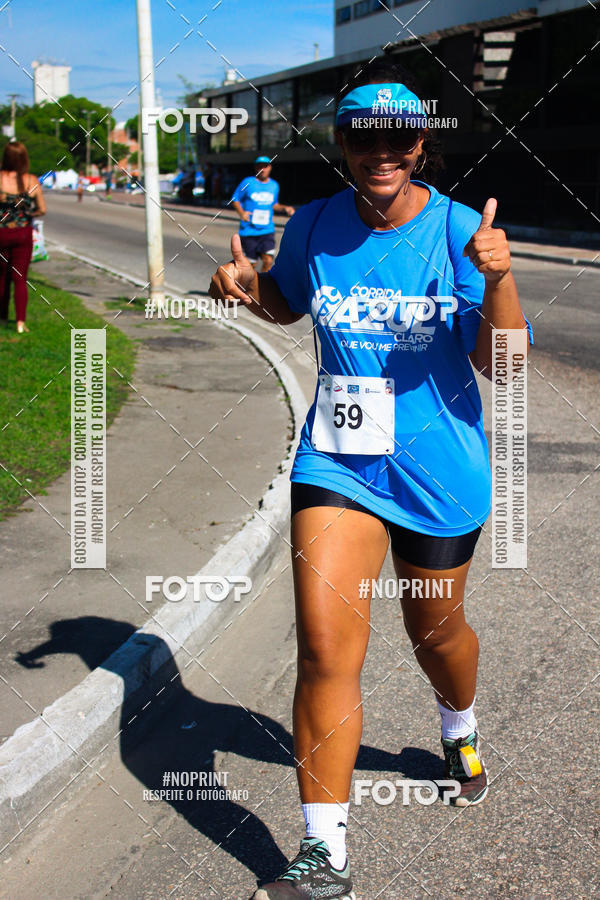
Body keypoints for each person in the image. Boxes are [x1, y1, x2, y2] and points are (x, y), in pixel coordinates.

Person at [210, 61, 533, 900]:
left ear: (420, 146)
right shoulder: (314, 223)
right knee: (323, 646)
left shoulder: (462, 231)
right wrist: (248, 290)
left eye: (397, 138)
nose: (379, 152)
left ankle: (459, 726)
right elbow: (288, 302)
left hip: (437, 475)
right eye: (361, 137)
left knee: (436, 636)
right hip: (340, 462)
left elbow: (506, 364)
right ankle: (326, 854)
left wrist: (498, 278)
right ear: (343, 144)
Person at [0, 140, 46, 333]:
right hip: (23, 233)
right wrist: (28, 215)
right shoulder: (31, 181)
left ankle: (2, 317)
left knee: (2, 277)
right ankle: (20, 323)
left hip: (2, 232)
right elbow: (42, 209)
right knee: (20, 278)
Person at [230, 156, 294, 272]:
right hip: (249, 230)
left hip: (267, 230)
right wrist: (242, 213)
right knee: (251, 265)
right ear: (256, 168)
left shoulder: (274, 185)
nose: (263, 169)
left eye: (265, 166)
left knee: (268, 261)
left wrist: (285, 208)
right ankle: (246, 286)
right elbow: (235, 199)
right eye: (260, 166)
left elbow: (274, 204)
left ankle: (260, 287)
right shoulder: (248, 182)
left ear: (270, 168)